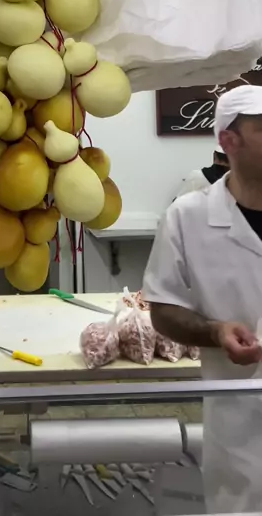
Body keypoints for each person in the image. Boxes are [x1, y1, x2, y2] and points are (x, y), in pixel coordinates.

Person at [143, 84, 262, 514]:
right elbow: (163, 309)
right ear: (229, 140)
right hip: (239, 418)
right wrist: (214, 331)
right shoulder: (188, 217)